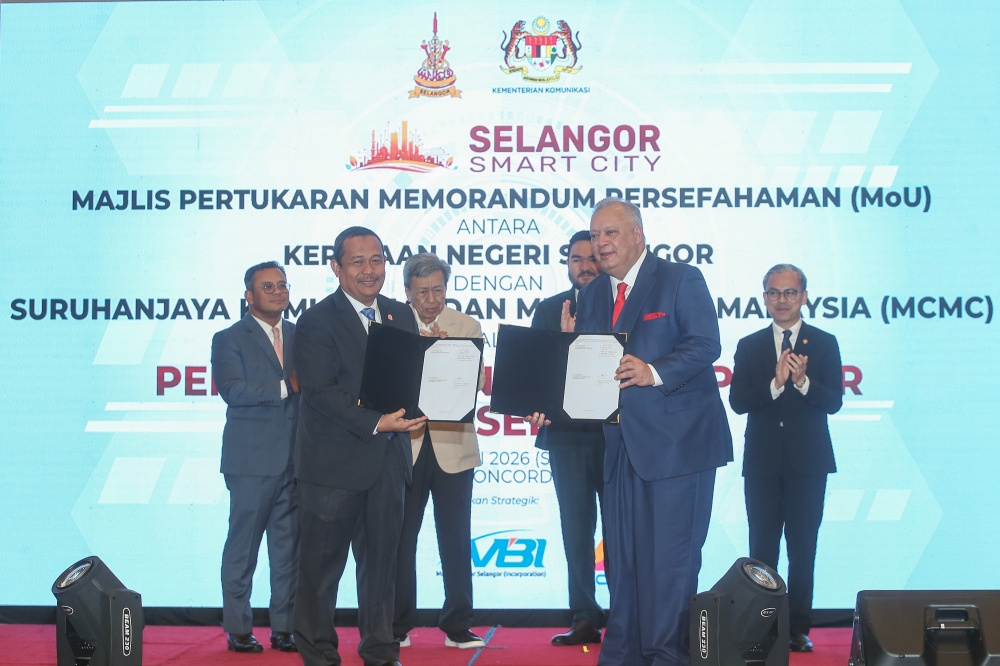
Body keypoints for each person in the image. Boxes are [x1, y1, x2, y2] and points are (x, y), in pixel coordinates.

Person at [526, 198, 732, 666]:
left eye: (611, 232)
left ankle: (666, 655)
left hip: (679, 448)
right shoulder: (594, 294)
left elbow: (706, 344)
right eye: (596, 235)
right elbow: (590, 372)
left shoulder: (681, 278)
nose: (601, 242)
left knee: (672, 564)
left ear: (638, 234)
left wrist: (653, 370)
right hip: (619, 449)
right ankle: (625, 654)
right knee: (625, 561)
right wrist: (550, 404)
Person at [293, 227, 427, 666]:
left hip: (388, 462)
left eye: (376, 260)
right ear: (336, 267)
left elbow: (408, 379)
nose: (369, 271)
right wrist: (376, 422)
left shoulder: (399, 315)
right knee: (319, 572)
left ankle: (381, 651)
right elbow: (319, 391)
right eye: (358, 262)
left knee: (382, 568)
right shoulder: (316, 320)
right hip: (333, 466)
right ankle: (318, 656)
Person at [728, 264, 843, 653]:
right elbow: (739, 402)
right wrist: (776, 383)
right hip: (761, 463)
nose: (782, 300)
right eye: (774, 293)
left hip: (808, 464)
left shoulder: (824, 343)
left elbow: (834, 402)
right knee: (761, 548)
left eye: (790, 292)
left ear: (804, 296)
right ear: (764, 298)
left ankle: (797, 628)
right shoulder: (749, 345)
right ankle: (762, 626)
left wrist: (802, 382)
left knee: (802, 547)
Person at [392, 253, 485, 650]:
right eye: (422, 291)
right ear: (407, 292)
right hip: (405, 447)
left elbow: (477, 382)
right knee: (399, 539)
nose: (431, 299)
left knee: (455, 537)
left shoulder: (466, 326)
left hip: (453, 445)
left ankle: (458, 624)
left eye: (438, 290)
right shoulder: (392, 327)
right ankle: (396, 625)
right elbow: (385, 386)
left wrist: (447, 358)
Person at [211, 261, 301, 653]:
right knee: (242, 549)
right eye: (268, 286)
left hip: (297, 462)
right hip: (250, 463)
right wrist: (286, 387)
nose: (278, 292)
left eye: (282, 285)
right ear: (248, 296)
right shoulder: (229, 338)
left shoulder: (302, 335)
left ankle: (284, 628)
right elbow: (232, 389)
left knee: (288, 551)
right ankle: (238, 628)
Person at [530, 231, 608, 646]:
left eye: (592, 257)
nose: (585, 266)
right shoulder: (548, 310)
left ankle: (630, 614)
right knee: (576, 529)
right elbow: (538, 375)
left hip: (619, 436)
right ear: (567, 264)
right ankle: (584, 617)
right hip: (567, 437)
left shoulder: (622, 305)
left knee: (621, 530)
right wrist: (565, 342)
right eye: (577, 259)